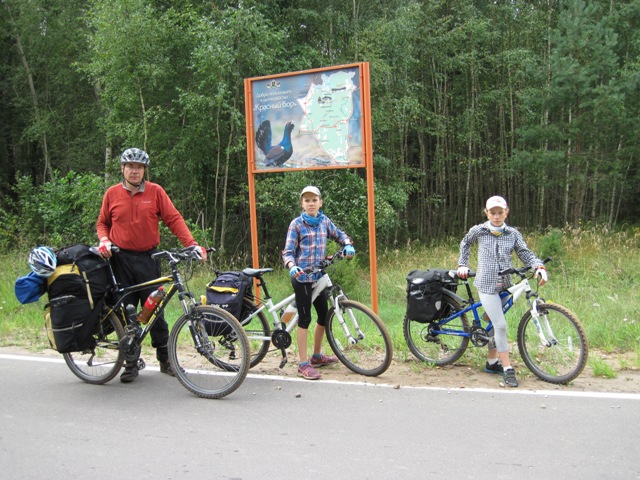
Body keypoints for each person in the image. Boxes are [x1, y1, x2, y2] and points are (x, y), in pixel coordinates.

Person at [96, 147, 207, 383]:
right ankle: (130, 362)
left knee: (155, 311)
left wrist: (192, 244)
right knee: (127, 311)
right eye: (130, 167)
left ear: (144, 170)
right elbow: (102, 223)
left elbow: (173, 219)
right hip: (120, 260)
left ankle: (166, 361)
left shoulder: (155, 192)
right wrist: (104, 239)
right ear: (122, 169)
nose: (134, 171)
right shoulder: (112, 194)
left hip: (149, 259)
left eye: (139, 167)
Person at [456, 195, 547, 388]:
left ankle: (491, 362)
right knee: (501, 325)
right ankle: (507, 369)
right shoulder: (479, 231)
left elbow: (524, 252)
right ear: (486, 213)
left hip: (504, 283)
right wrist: (462, 264)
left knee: (491, 323)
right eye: (492, 212)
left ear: (506, 212)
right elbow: (465, 243)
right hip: (486, 285)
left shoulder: (512, 234)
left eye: (500, 212)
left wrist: (538, 266)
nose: (496, 216)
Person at [282, 186, 356, 380]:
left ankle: (316, 356)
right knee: (304, 319)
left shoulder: (324, 222)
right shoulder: (296, 224)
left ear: (320, 202)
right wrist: (291, 265)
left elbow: (339, 234)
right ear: (302, 204)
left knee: (323, 316)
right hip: (302, 277)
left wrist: (347, 243)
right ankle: (303, 364)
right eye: (307, 200)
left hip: (318, 276)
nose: (311, 203)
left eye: (314, 200)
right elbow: (288, 251)